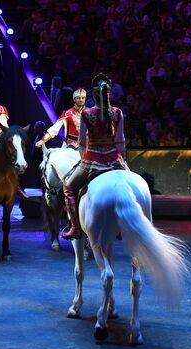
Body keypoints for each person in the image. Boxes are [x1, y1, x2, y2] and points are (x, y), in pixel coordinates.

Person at [62, 73, 128, 240]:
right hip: (114, 159)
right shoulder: (117, 112)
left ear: (93, 95)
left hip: (93, 160)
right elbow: (120, 141)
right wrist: (122, 161)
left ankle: (76, 228)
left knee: (68, 188)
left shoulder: (87, 114)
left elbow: (82, 141)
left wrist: (83, 158)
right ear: (108, 94)